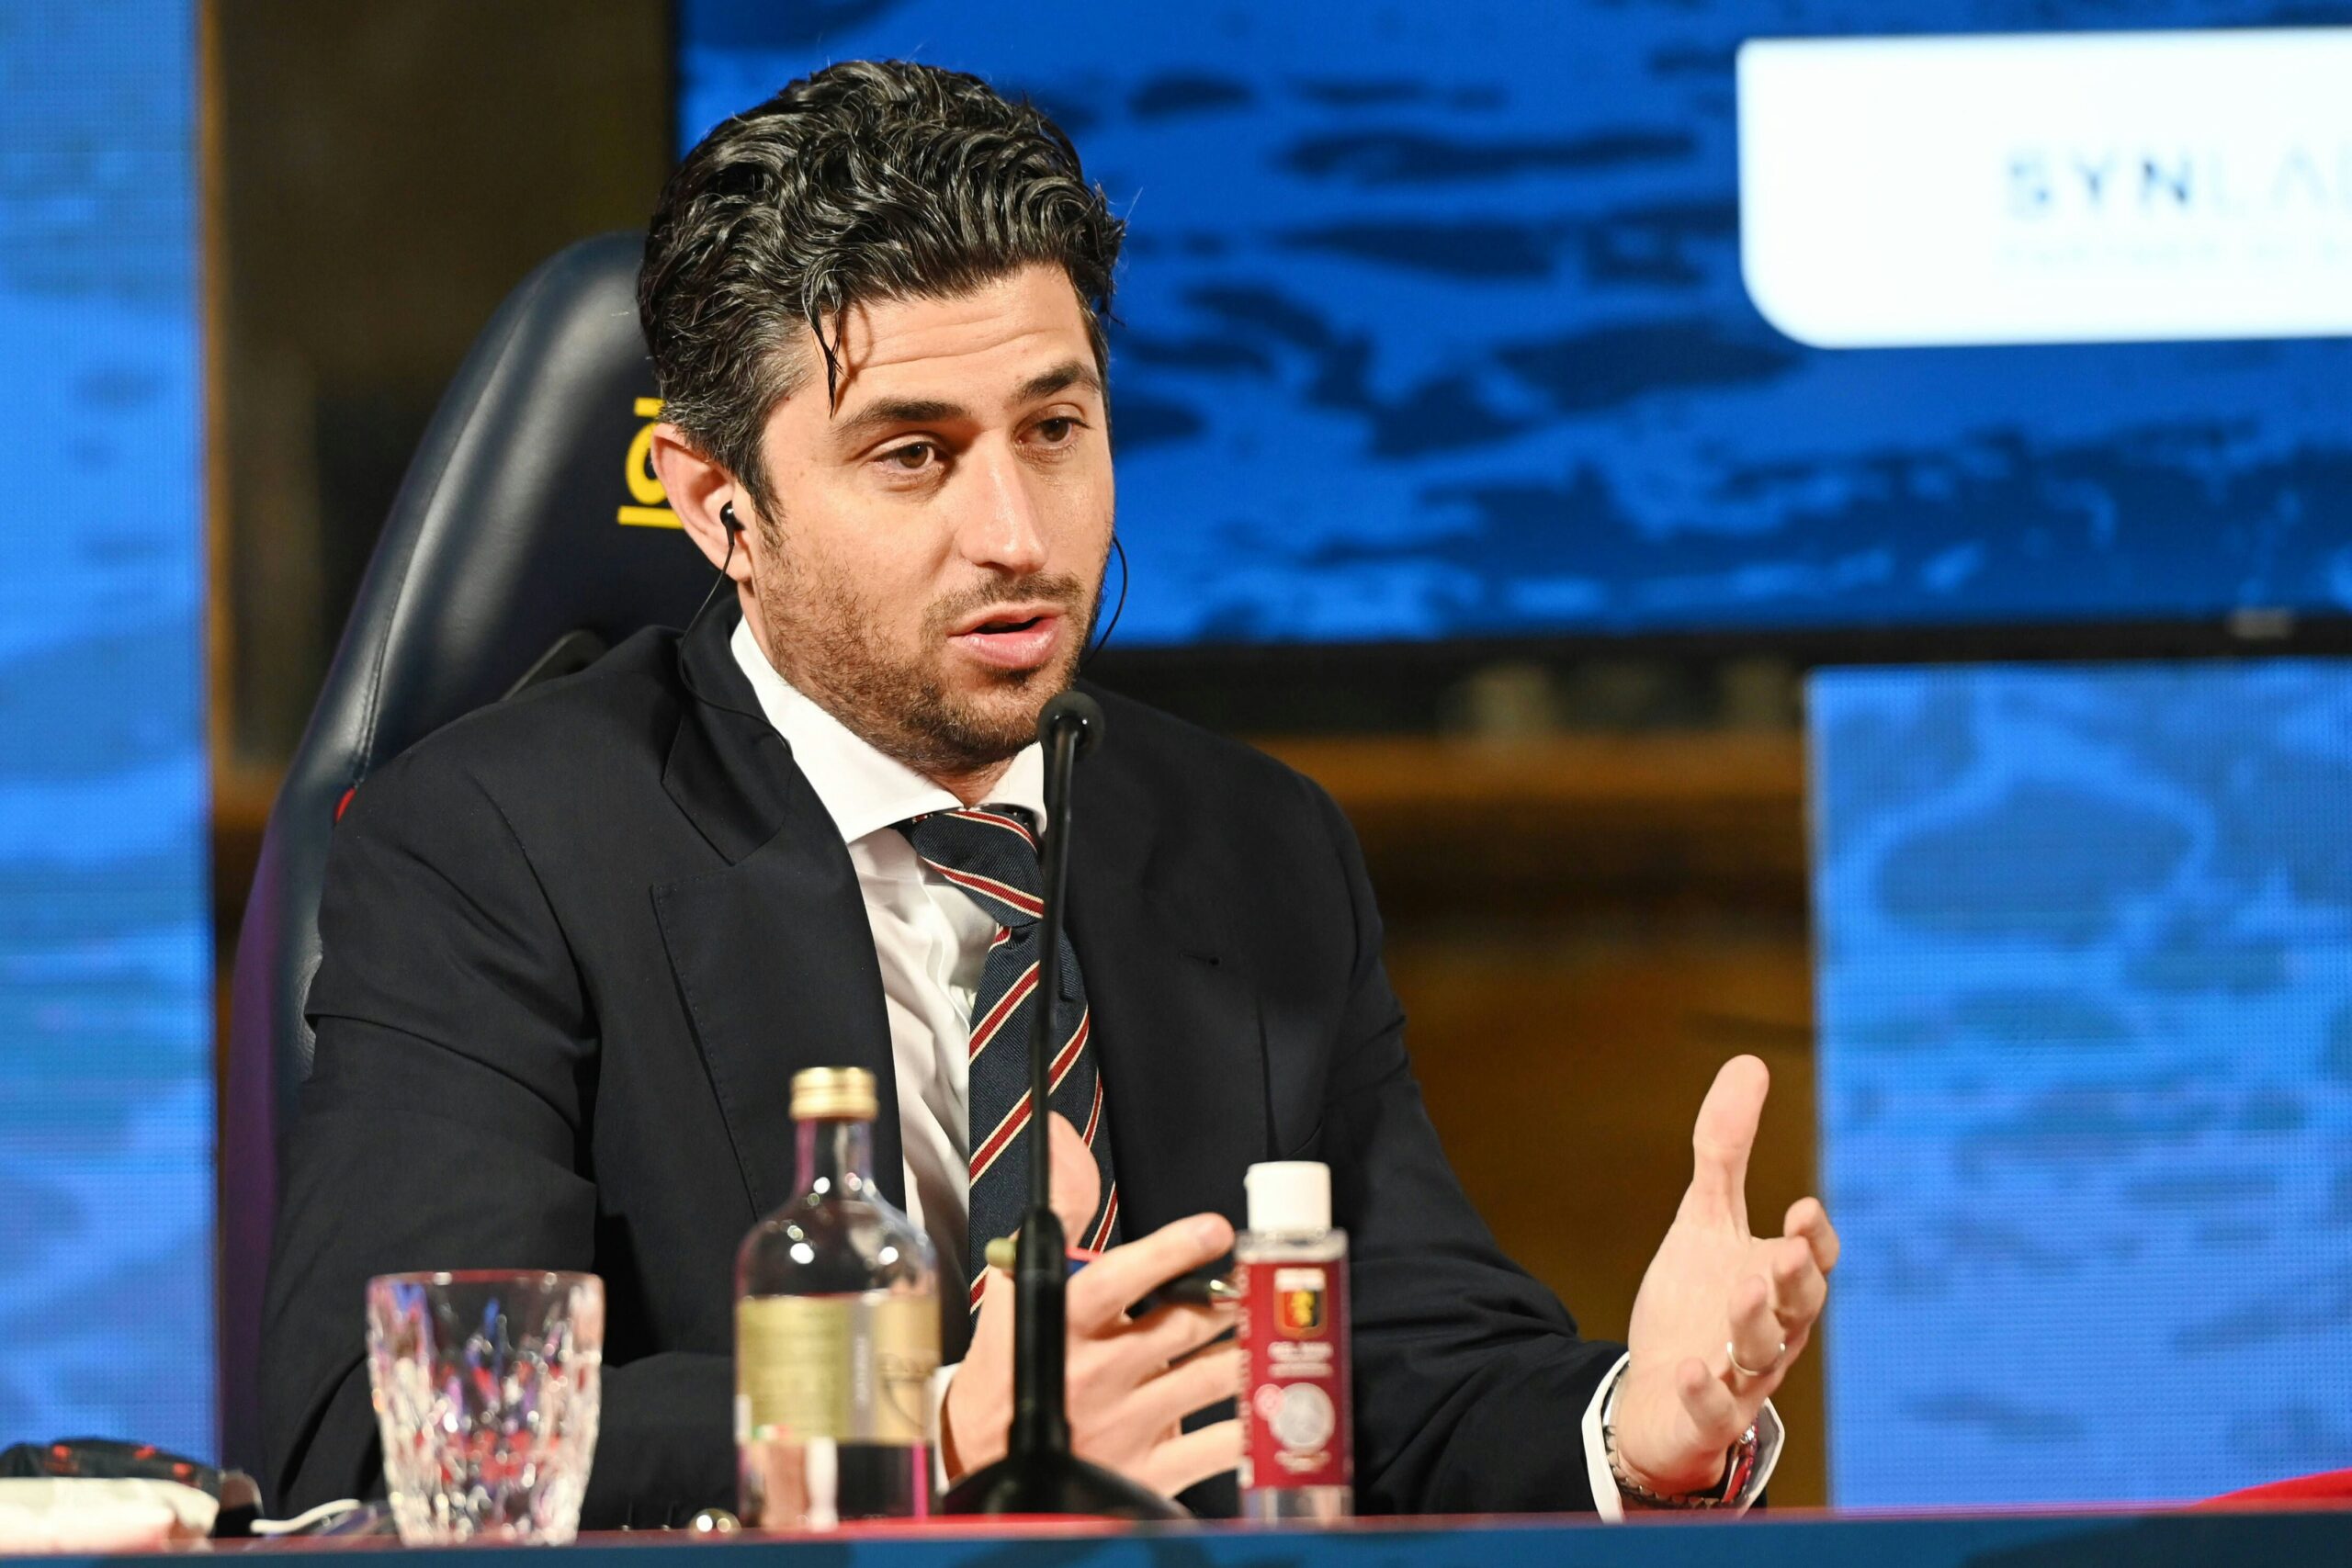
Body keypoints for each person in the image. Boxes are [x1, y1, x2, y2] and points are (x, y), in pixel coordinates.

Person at [262, 60, 1838, 1526]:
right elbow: (387, 1435)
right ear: (718, 504)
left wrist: (1639, 1426)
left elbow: (1401, 1373)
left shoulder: (1253, 842)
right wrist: (940, 1429)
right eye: (913, 455)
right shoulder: (497, 848)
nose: (1018, 534)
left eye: (1056, 429)